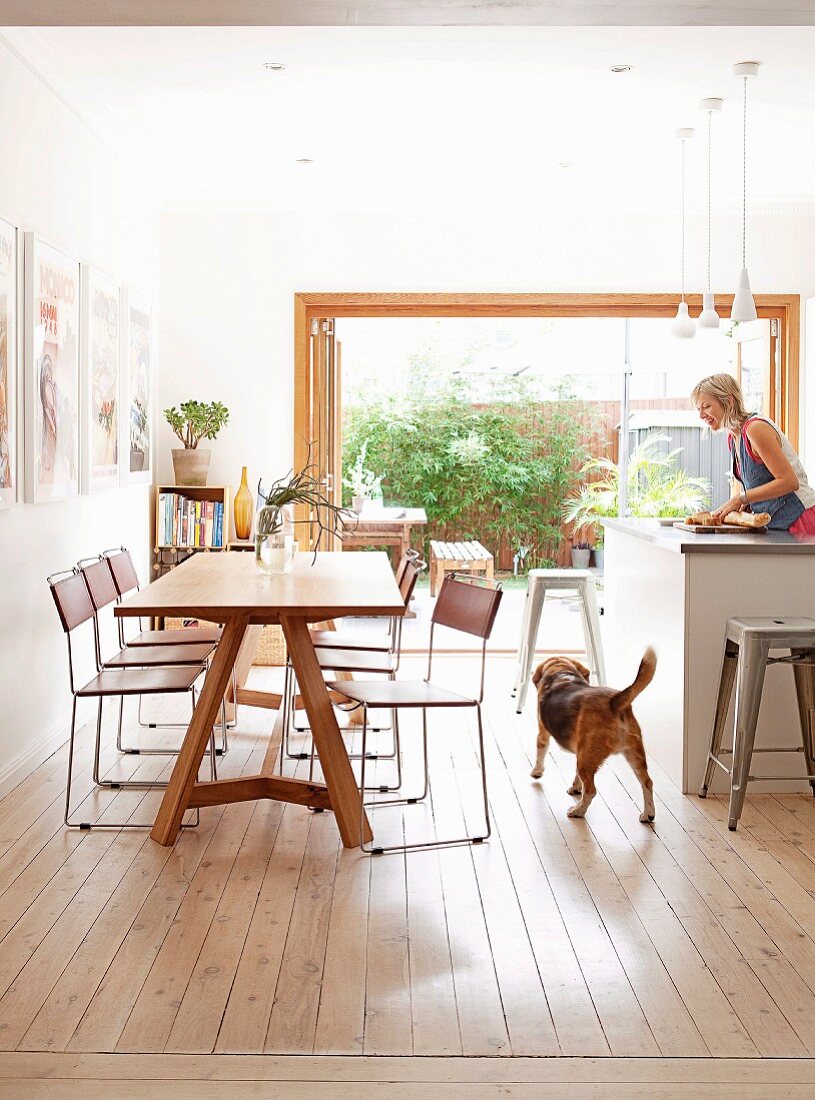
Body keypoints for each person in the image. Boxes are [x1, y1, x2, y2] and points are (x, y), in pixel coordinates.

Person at [691, 373, 815, 534]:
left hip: (800, 520)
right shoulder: (734, 437)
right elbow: (761, 483)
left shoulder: (755, 428)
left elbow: (790, 482)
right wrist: (746, 504)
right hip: (777, 526)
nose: (701, 415)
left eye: (706, 406)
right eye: (699, 409)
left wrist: (741, 498)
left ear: (728, 401)